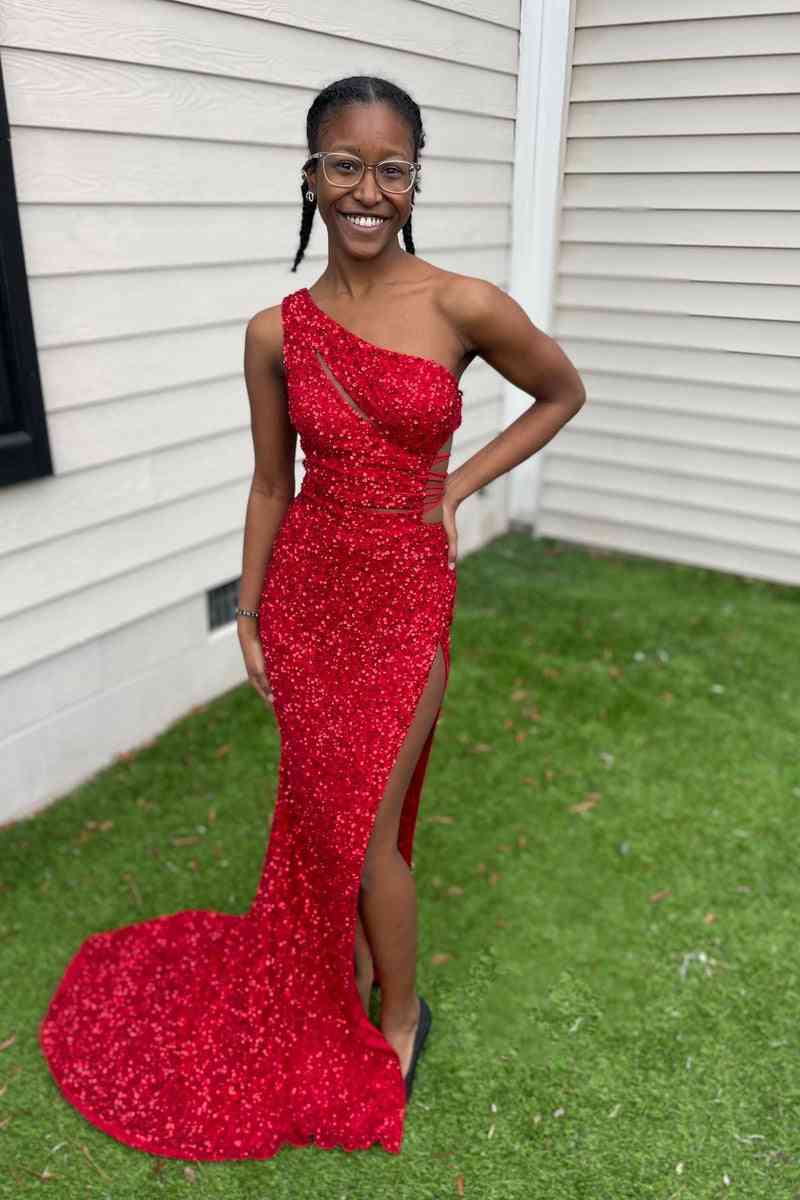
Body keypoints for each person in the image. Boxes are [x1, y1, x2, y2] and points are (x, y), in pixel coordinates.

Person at [39, 75, 585, 1161]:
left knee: (368, 831)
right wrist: (251, 611)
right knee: (328, 820)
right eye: (344, 164)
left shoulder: (462, 304)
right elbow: (268, 485)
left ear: (415, 181)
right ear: (310, 175)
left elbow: (560, 392)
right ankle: (350, 981)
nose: (366, 190)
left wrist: (455, 487)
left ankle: (398, 1015)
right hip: (308, 602)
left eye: (391, 169)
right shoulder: (273, 334)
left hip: (405, 599)